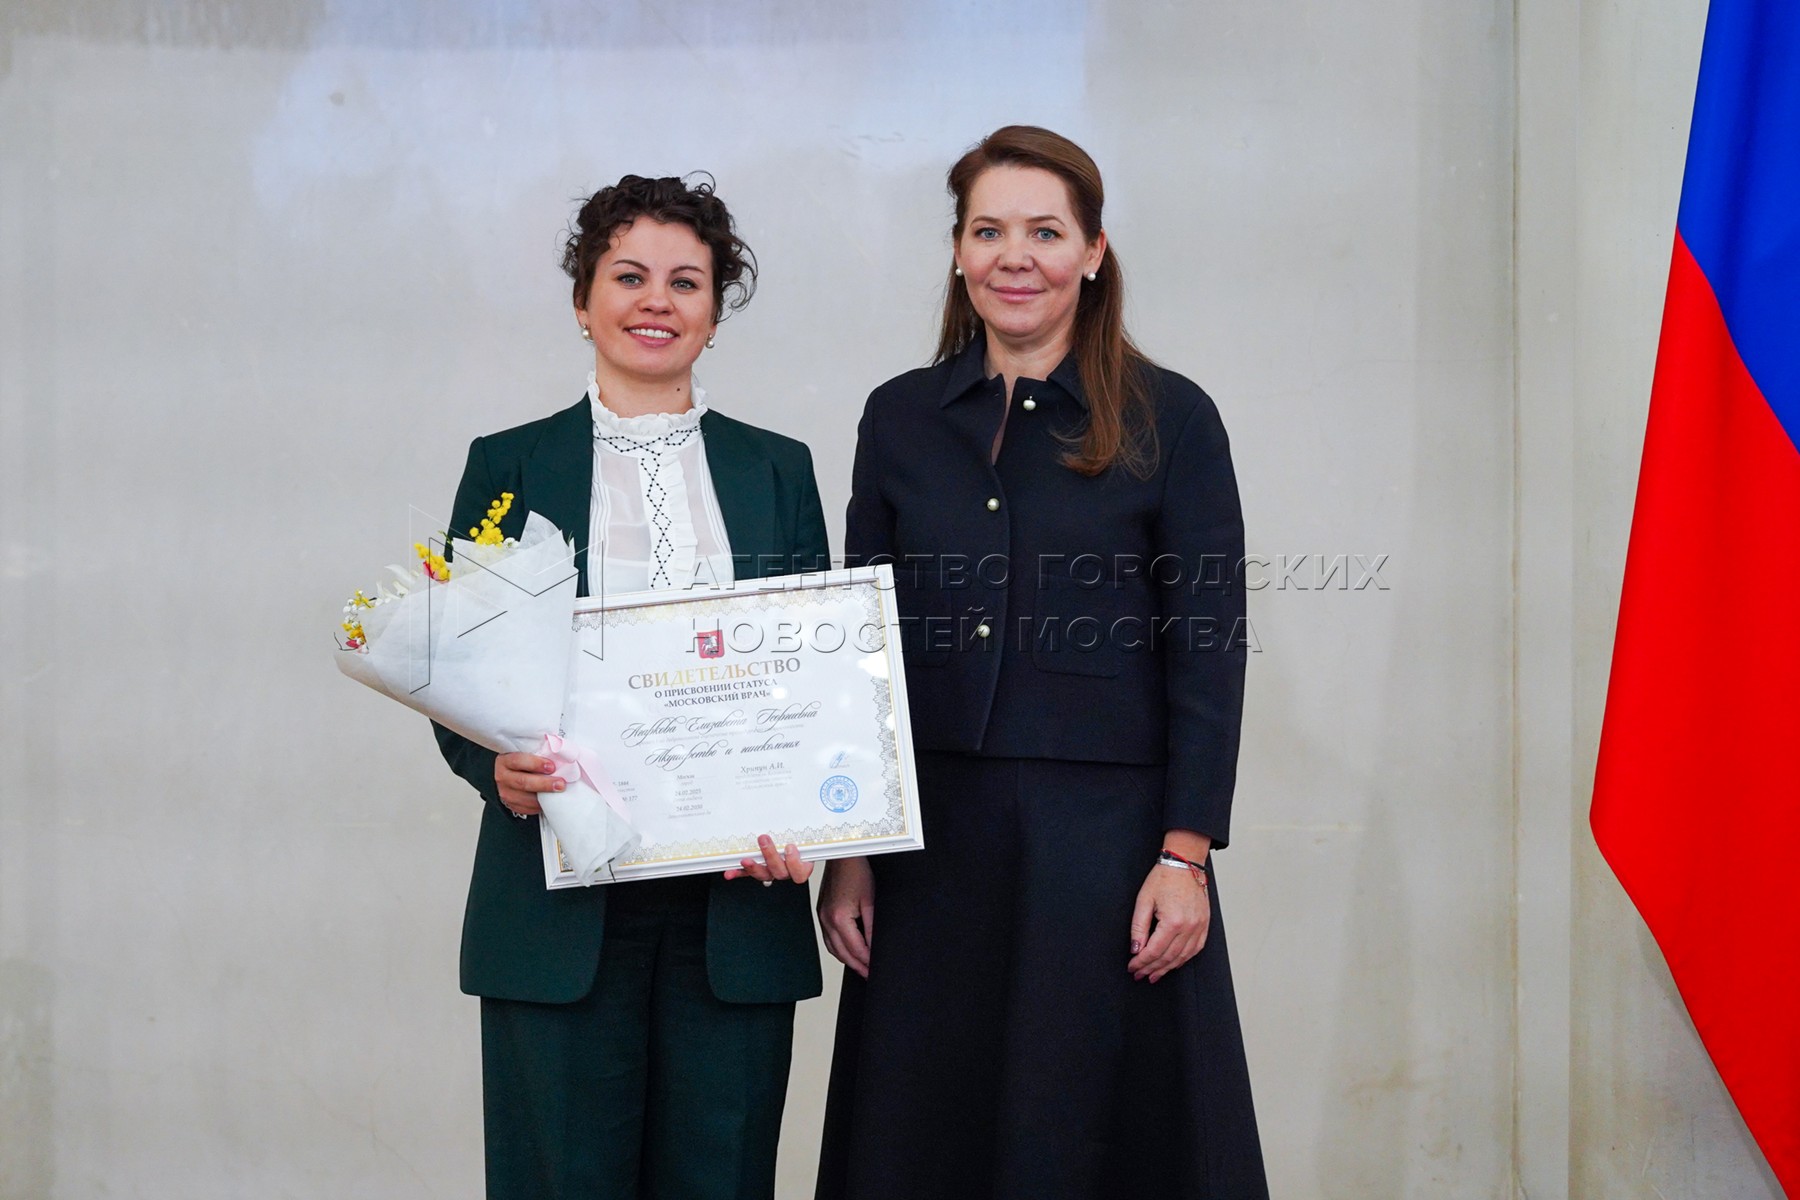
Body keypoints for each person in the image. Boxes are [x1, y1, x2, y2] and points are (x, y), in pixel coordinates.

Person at [814, 127, 1269, 1199]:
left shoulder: (1173, 418)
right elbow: (861, 645)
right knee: (930, 1134)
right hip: (931, 846)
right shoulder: (899, 417)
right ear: (959, 252)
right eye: (988, 231)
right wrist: (852, 849)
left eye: (1046, 232)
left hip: (1105, 851)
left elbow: (1208, 647)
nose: (1014, 256)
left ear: (1094, 252)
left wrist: (1187, 854)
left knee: (1091, 1131)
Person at [431, 174, 828, 1200]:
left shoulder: (779, 470)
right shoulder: (508, 465)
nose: (658, 301)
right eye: (629, 276)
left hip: (735, 906)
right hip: (556, 901)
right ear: (583, 301)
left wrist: (808, 809)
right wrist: (493, 767)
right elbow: (457, 674)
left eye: (686, 282)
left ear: (714, 313)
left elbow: (812, 681)